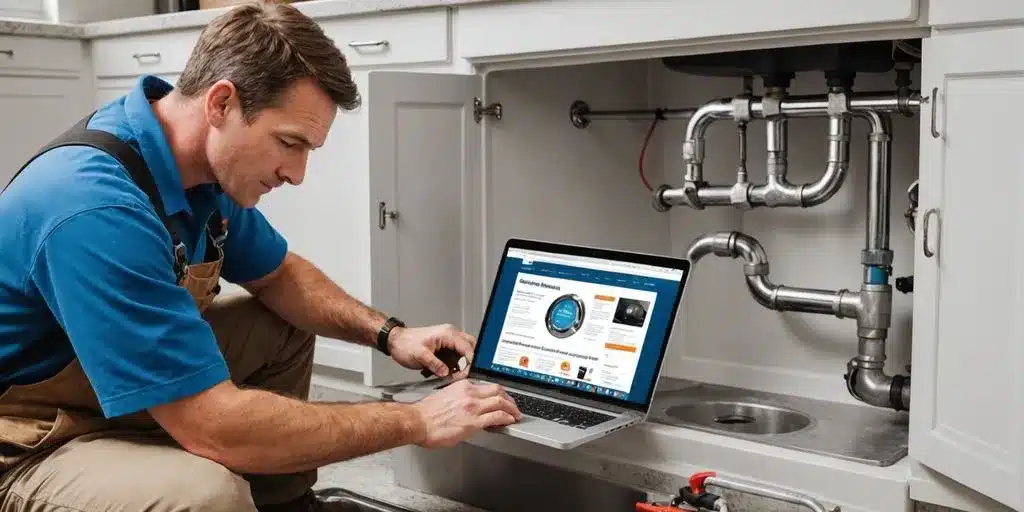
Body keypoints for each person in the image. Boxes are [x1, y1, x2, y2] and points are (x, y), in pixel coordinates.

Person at [0, 1, 522, 511]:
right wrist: (417, 420)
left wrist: (390, 334)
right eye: (289, 143)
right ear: (221, 104)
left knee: (282, 323)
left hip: (103, 393)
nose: (297, 174)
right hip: (26, 442)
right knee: (205, 495)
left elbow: (279, 275)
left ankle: (282, 502)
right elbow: (214, 424)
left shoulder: (197, 168)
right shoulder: (96, 207)